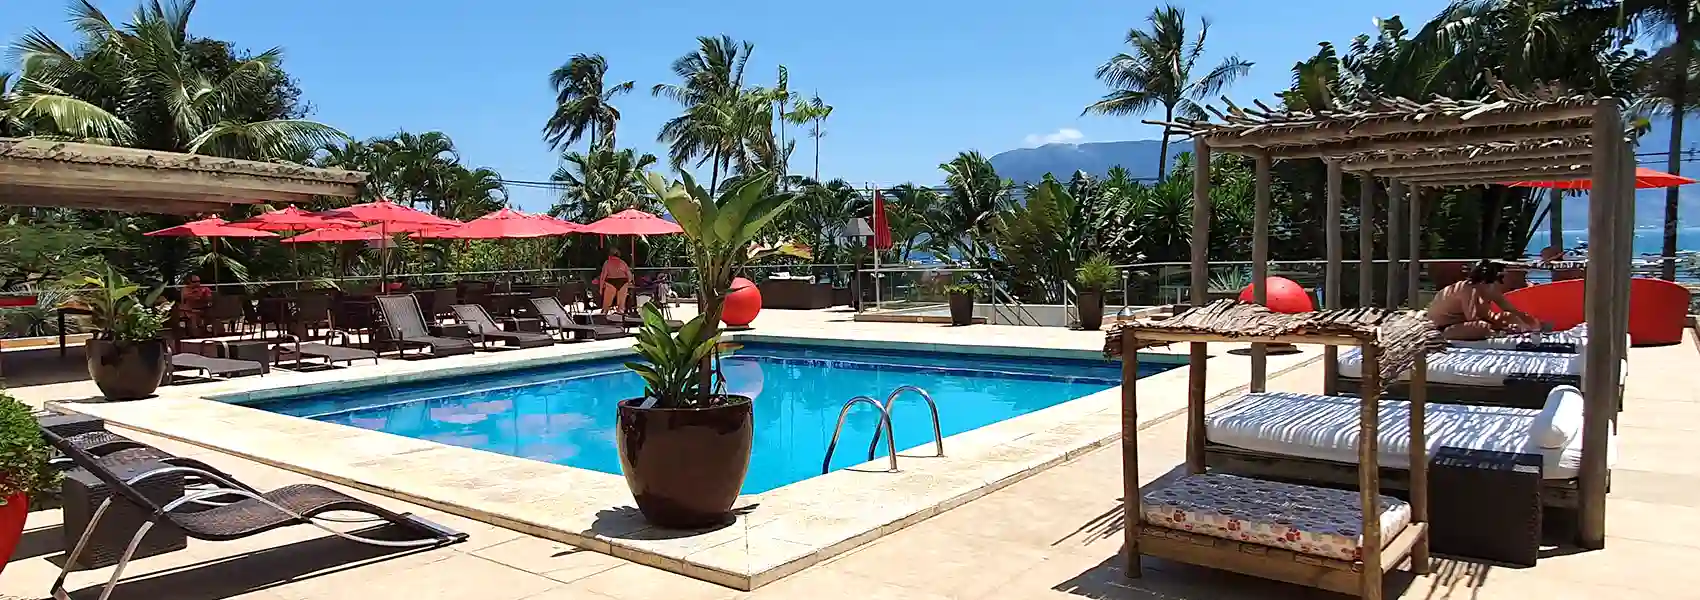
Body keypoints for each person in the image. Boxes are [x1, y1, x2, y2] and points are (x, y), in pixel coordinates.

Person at [1426, 259, 1547, 341]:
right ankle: (1501, 333)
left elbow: (1511, 309)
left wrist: (1531, 322)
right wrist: (1501, 325)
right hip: (1445, 327)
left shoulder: (1490, 288)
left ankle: (1527, 330)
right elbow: (1473, 318)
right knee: (1481, 326)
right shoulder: (1468, 289)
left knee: (1508, 315)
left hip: (1463, 323)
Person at [599, 248, 632, 315]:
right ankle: (620, 317)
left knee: (606, 304)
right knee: (621, 305)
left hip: (611, 281)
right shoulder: (622, 262)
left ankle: (603, 316)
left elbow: (603, 276)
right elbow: (629, 275)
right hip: (623, 281)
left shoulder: (607, 262)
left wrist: (601, 288)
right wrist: (628, 283)